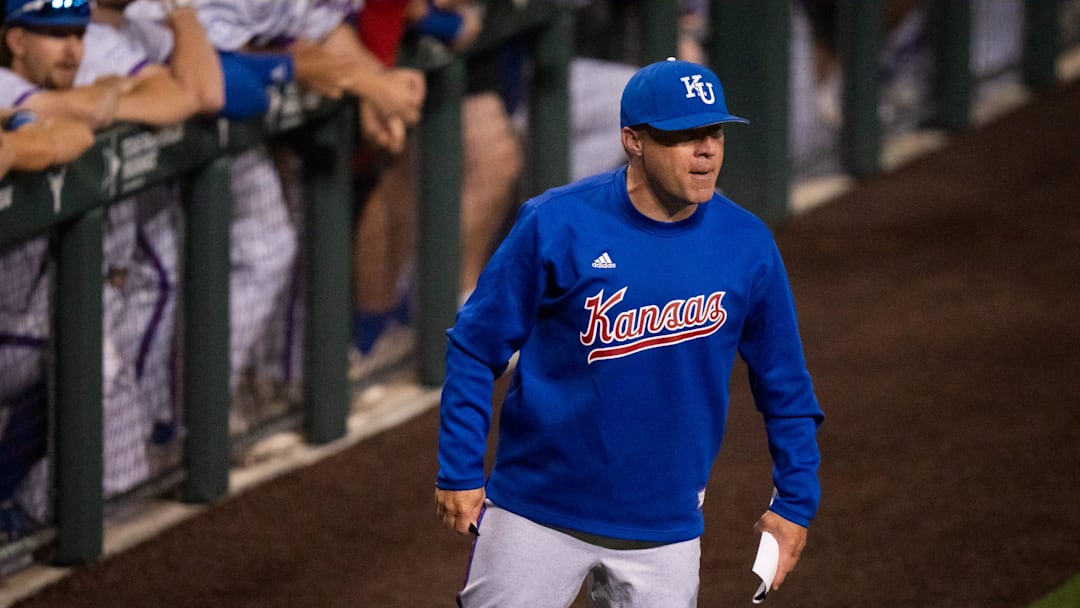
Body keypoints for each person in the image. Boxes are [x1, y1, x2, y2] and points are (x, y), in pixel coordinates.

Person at [434, 58, 824, 606]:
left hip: (664, 525)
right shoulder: (556, 223)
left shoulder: (747, 244)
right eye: (684, 136)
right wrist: (458, 469)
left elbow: (786, 387)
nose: (707, 149)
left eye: (713, 132)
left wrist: (795, 502)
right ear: (633, 141)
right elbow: (476, 347)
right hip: (536, 510)